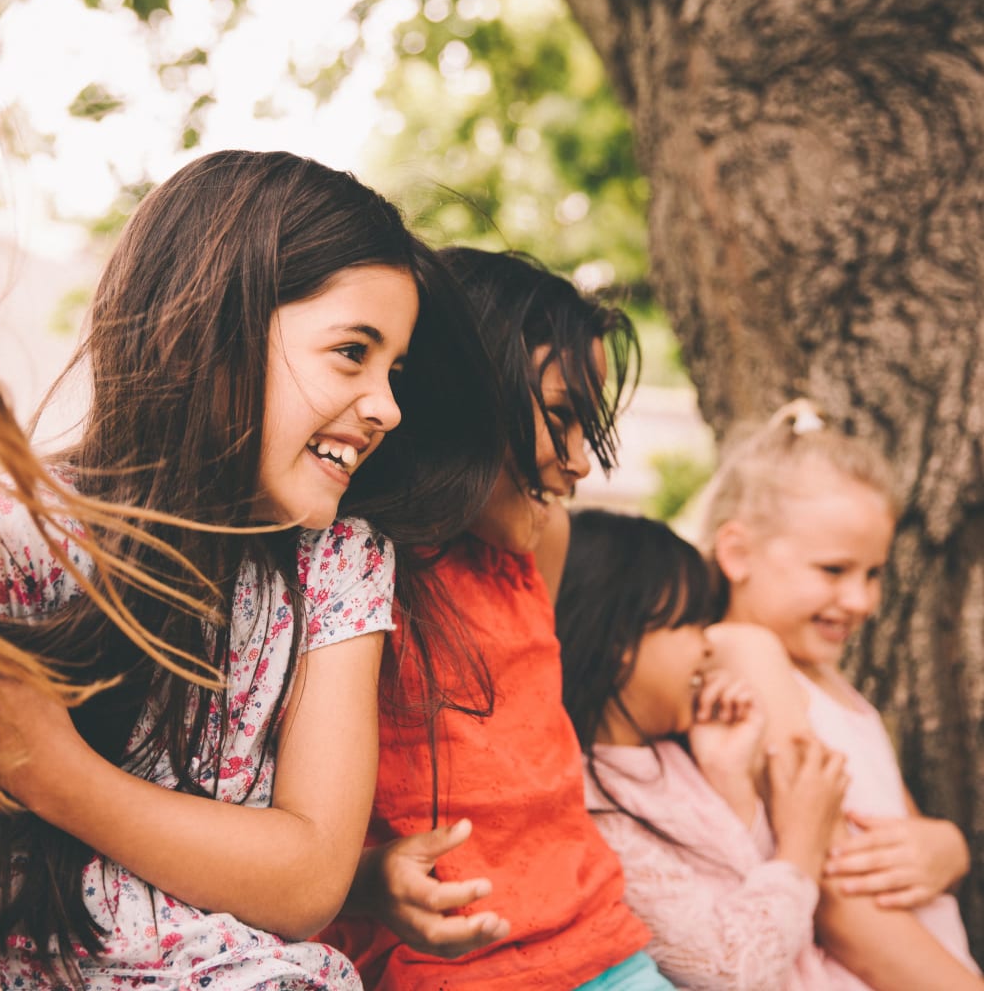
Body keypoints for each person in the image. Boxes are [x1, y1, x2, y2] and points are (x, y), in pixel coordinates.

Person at [0, 148, 503, 989]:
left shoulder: (338, 565)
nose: (388, 406)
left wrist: (53, 772)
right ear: (210, 332)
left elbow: (305, 880)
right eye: (351, 353)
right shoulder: (21, 537)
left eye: (394, 370)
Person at [324, 248, 676, 989]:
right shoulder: (350, 578)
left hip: (608, 951)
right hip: (453, 972)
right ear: (460, 394)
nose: (582, 462)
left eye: (592, 424)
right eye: (560, 417)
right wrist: (367, 880)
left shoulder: (528, 551)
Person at [700, 399, 981, 989]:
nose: (862, 602)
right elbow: (838, 902)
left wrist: (948, 849)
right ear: (737, 552)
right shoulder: (745, 652)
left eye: (873, 573)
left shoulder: (826, 680)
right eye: (833, 570)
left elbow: (896, 833)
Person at [556, 507, 882, 991]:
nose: (707, 647)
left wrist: (727, 772)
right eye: (689, 624)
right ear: (621, 639)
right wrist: (801, 848)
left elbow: (742, 875)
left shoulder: (671, 754)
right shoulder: (593, 809)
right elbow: (731, 967)